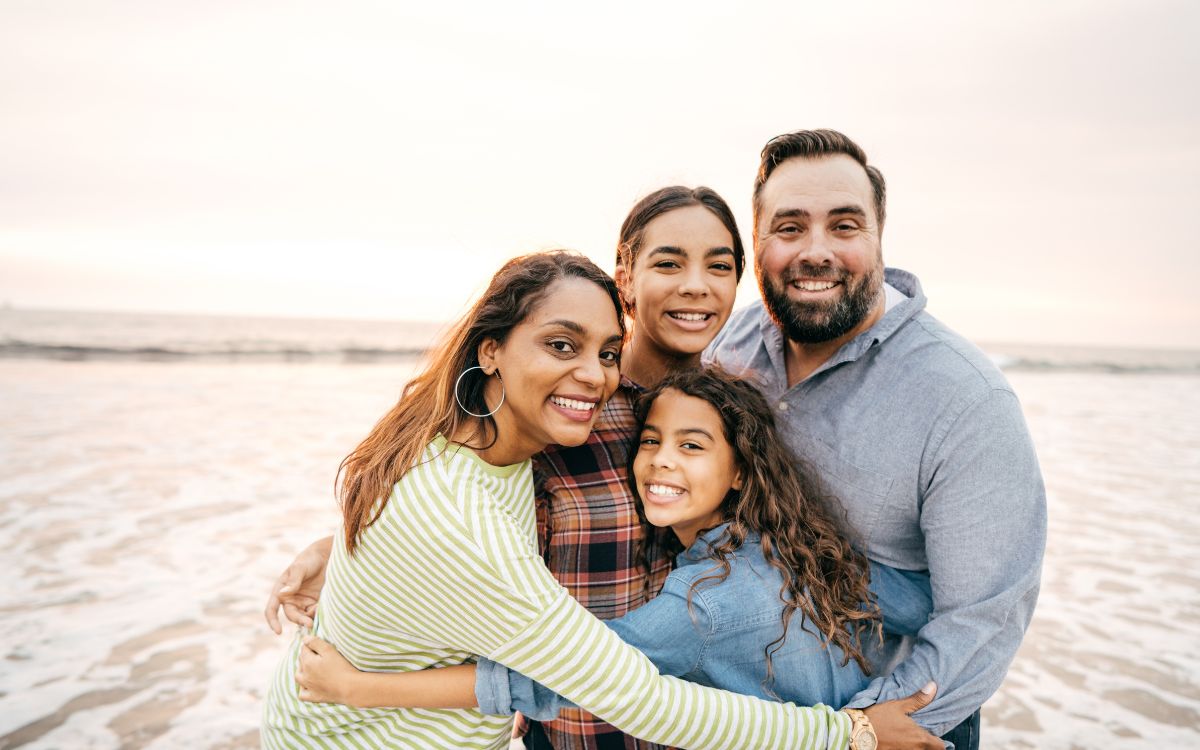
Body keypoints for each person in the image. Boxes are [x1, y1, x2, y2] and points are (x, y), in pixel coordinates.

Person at [260, 249, 940, 749]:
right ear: (491, 350)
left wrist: (349, 556)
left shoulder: (483, 440)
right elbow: (640, 698)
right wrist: (848, 733)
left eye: (610, 353)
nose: (593, 375)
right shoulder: (463, 514)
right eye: (562, 344)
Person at [267, 186, 749, 749]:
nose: (695, 284)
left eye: (720, 265)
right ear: (626, 276)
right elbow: (450, 508)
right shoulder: (562, 415)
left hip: (693, 716)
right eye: (669, 262)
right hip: (572, 723)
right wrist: (342, 548)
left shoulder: (730, 410)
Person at [705, 129, 1048, 750]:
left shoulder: (964, 399)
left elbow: (982, 619)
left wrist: (853, 731)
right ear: (757, 241)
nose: (816, 251)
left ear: (879, 237)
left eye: (844, 226)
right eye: (789, 228)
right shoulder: (727, 347)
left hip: (888, 724)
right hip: (742, 719)